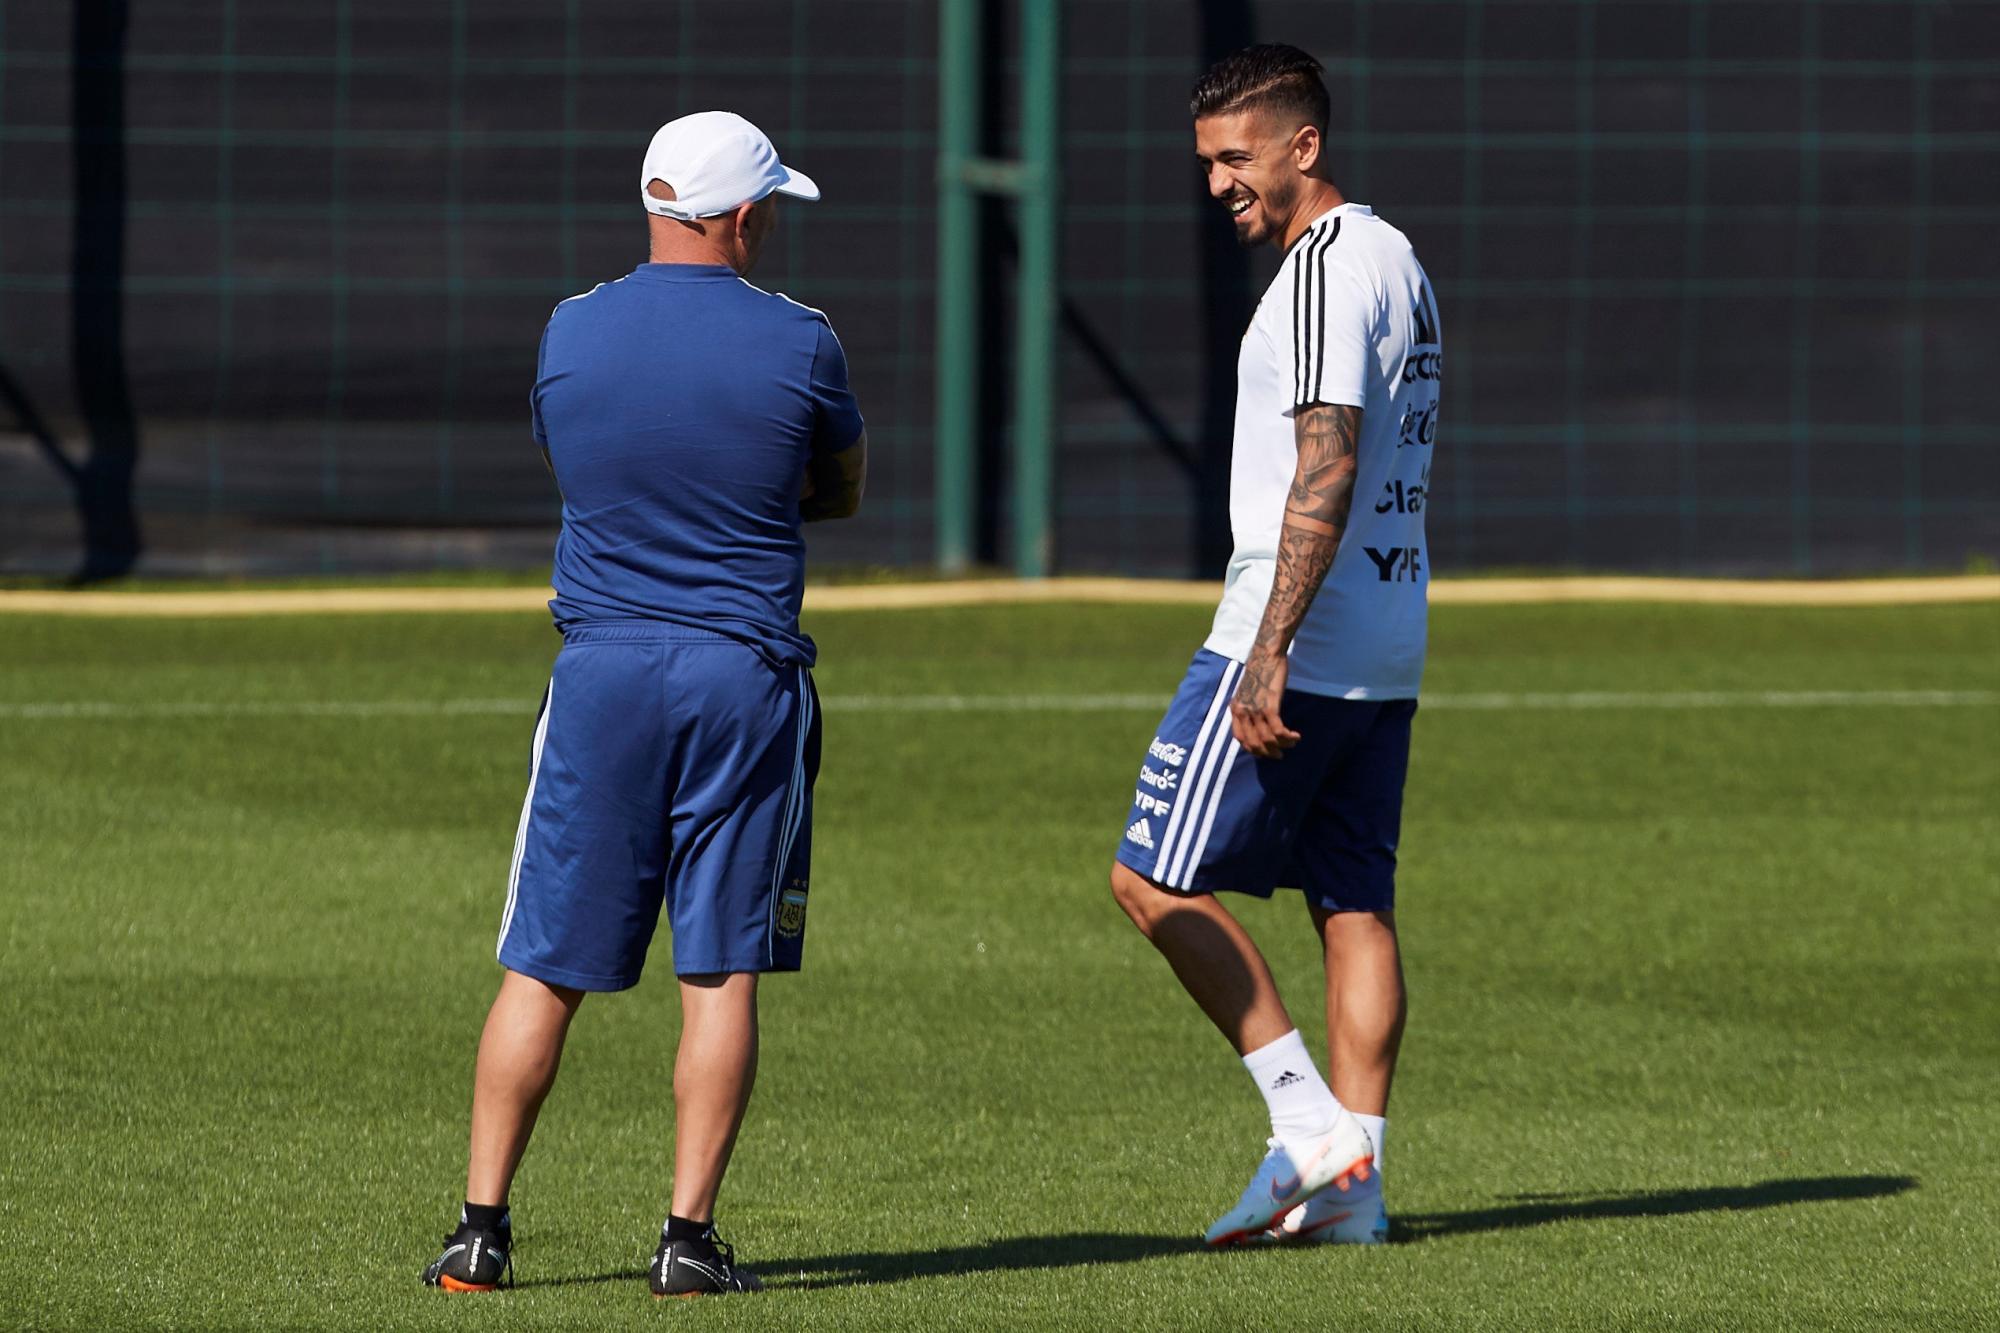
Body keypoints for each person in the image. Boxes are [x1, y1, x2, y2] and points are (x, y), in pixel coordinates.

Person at [421, 110, 866, 1298]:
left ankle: (478, 1230)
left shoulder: (569, 330)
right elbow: (839, 487)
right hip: (741, 677)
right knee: (718, 970)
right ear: (741, 214)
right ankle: (686, 1240)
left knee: (542, 965)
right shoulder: (803, 341)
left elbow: (581, 465)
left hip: (601, 673)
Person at [1108, 44, 1441, 1248]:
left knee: (1146, 878)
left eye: (1233, 159)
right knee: (1351, 904)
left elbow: (1328, 458)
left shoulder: (1317, 274)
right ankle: (1355, 1194)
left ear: (1303, 146)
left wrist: (1266, 644)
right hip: (1388, 641)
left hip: (1294, 634)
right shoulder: (1397, 258)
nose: (1217, 186)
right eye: (1205, 163)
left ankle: (1308, 1128)